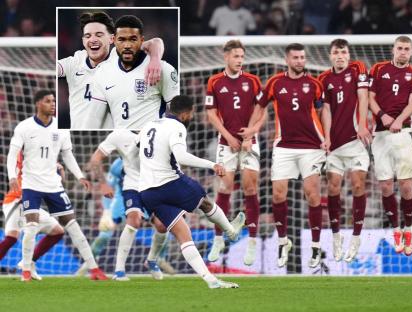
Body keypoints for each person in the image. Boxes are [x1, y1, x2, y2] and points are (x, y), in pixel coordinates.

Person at [139, 95, 244, 288]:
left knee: (183, 234)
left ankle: (211, 280)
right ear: (186, 113)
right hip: (169, 182)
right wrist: (212, 164)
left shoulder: (149, 125)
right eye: (192, 113)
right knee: (205, 202)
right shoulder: (177, 127)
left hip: (147, 191)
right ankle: (231, 231)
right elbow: (181, 156)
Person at [6, 90, 107, 281]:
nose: (53, 104)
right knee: (31, 226)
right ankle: (26, 271)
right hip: (31, 184)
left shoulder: (61, 128)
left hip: (54, 185)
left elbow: (67, 154)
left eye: (54, 101)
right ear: (38, 104)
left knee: (73, 225)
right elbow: (13, 154)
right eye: (47, 101)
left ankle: (94, 269)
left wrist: (79, 176)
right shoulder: (24, 127)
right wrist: (12, 176)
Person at [251, 43, 326, 268]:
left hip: (311, 146)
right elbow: (260, 106)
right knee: (278, 195)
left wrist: (326, 137)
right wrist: (253, 129)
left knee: (312, 195)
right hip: (283, 146)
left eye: (303, 57)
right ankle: (284, 242)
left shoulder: (315, 84)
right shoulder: (275, 82)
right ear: (287, 60)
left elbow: (323, 111)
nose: (300, 61)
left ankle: (315, 247)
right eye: (296, 57)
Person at [204, 39, 265, 266]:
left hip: (250, 142)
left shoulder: (253, 80)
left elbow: (263, 112)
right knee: (224, 187)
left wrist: (250, 134)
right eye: (236, 56)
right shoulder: (214, 81)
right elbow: (211, 114)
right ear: (226, 57)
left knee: (250, 188)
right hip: (225, 142)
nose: (240, 61)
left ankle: (252, 242)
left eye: (242, 56)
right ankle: (218, 239)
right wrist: (228, 137)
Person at [57, 11, 164, 129]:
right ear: (83, 40)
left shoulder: (120, 56)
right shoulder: (74, 62)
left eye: (99, 35)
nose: (93, 39)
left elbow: (155, 42)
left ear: (111, 39)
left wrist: (155, 60)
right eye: (88, 36)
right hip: (81, 135)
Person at [368, 35, 412, 256]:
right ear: (393, 50)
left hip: (404, 132)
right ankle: (396, 230)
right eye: (399, 48)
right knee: (385, 187)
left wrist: (399, 120)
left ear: (411, 52)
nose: (403, 52)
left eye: (406, 49)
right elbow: (370, 97)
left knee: (406, 186)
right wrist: (381, 115)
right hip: (380, 134)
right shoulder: (378, 69)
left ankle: (409, 230)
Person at [89, 130, 169, 281]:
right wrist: (105, 198)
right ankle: (108, 268)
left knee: (163, 225)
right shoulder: (118, 143)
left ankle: (153, 260)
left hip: (153, 185)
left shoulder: (157, 132)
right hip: (126, 191)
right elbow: (97, 163)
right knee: (123, 225)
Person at [318, 38, 371, 262]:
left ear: (348, 55)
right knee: (333, 188)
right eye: (336, 53)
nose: (340, 56)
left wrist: (362, 124)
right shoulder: (323, 79)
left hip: (356, 141)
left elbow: (363, 96)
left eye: (343, 52)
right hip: (336, 146)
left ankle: (356, 237)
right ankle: (337, 236)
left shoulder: (358, 68)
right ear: (330, 56)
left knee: (358, 184)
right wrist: (327, 138)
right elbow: (326, 109)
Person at [91, 15, 178, 129]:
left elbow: (156, 42)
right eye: (121, 39)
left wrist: (155, 60)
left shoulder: (161, 69)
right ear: (113, 40)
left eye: (132, 39)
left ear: (141, 41)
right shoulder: (103, 69)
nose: (127, 45)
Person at [0, 151, 65, 280]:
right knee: (12, 237)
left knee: (58, 232)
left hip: (29, 202)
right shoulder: (22, 149)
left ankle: (30, 262)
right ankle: (26, 268)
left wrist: (59, 171)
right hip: (16, 200)